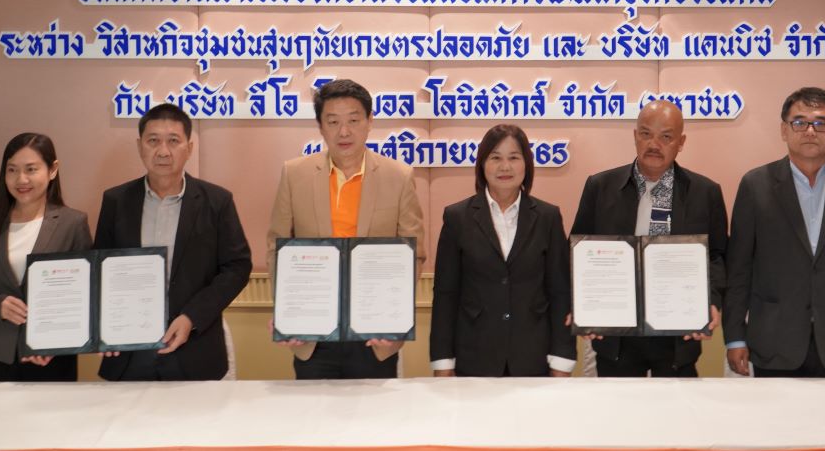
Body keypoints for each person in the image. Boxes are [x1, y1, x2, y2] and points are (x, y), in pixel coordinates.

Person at [723, 87, 825, 378]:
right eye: (799, 122)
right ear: (784, 130)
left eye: (820, 122)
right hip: (773, 341)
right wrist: (735, 337)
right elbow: (739, 269)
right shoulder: (755, 185)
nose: (810, 131)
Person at [268, 78, 424, 379]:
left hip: (374, 335)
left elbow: (413, 254)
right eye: (333, 121)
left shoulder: (399, 176)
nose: (344, 131)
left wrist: (395, 316)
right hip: (312, 334)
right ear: (320, 126)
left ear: (369, 121)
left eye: (353, 120)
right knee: (314, 408)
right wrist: (287, 312)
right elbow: (277, 247)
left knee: (374, 409)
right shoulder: (294, 174)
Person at [94, 103, 251, 381]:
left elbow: (237, 267)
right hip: (129, 349)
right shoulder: (116, 201)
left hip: (194, 345)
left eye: (173, 141)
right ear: (139, 146)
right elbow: (100, 268)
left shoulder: (217, 201)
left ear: (189, 148)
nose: (163, 151)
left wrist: (192, 317)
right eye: (153, 141)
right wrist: (104, 326)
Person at [571, 99, 727, 377]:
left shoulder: (705, 192)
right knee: (616, 405)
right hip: (615, 332)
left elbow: (717, 256)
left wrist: (711, 302)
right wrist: (583, 306)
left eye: (666, 137)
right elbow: (578, 252)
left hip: (679, 330)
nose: (654, 144)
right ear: (635, 136)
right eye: (646, 134)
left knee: (677, 404)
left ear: (681, 142)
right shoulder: (600, 187)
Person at [430, 124, 575, 377]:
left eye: (514, 158)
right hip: (474, 356)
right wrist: (443, 364)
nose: (505, 167)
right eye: (495, 158)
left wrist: (561, 362)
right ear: (482, 165)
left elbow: (560, 292)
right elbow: (446, 294)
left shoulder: (548, 217)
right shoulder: (457, 217)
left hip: (533, 356)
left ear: (526, 164)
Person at [0, 132, 92, 381]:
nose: (21, 179)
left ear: (53, 170)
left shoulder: (72, 223)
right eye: (12, 170)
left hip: (52, 352)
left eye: (31, 169)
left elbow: (85, 289)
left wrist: (58, 341)